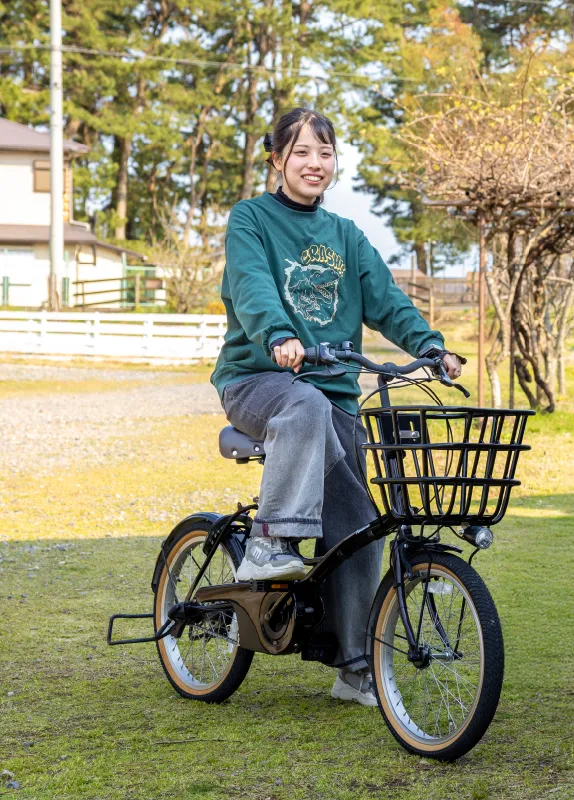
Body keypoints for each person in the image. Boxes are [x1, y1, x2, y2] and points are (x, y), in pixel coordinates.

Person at [210, 107, 464, 705]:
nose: (314, 163)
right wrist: (277, 334)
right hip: (259, 381)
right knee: (304, 408)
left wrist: (429, 345)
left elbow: (387, 298)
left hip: (336, 397)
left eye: (324, 152)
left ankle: (354, 667)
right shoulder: (251, 219)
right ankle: (269, 543)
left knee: (359, 530)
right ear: (276, 159)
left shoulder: (347, 236)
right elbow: (251, 285)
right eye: (301, 151)